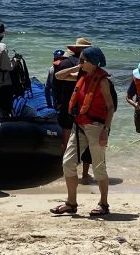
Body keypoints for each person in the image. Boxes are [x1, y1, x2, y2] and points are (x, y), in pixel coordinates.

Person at [50, 46, 114, 217]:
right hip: (78, 126)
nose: (80, 62)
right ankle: (71, 203)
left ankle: (104, 204)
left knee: (99, 167)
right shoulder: (82, 75)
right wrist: (79, 66)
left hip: (96, 127)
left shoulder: (102, 81)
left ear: (93, 63)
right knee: (68, 163)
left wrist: (105, 131)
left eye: (83, 60)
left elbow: (110, 107)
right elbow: (58, 75)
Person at [51, 37, 93, 180]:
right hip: (84, 107)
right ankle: (85, 174)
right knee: (86, 140)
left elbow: (55, 83)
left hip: (66, 105)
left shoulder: (63, 63)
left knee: (67, 140)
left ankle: (65, 172)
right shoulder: (92, 66)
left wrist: (56, 103)